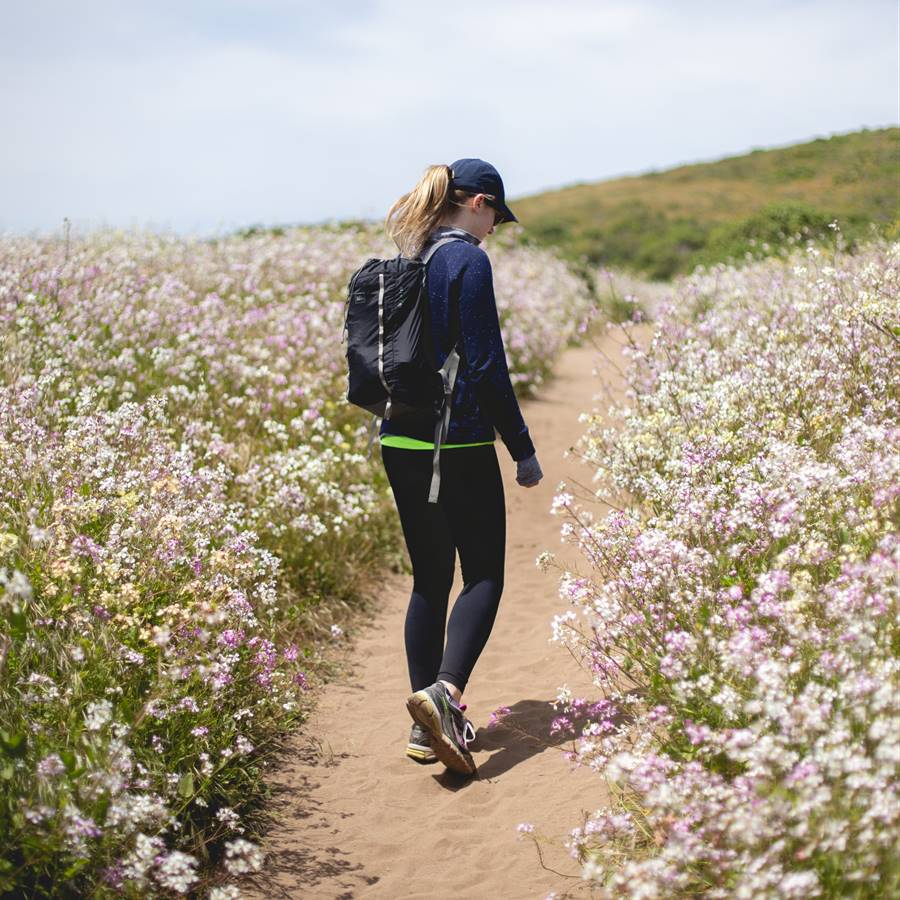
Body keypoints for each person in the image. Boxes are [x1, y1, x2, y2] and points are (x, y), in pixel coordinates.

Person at [379, 158, 544, 775]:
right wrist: (521, 448)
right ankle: (445, 696)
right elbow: (486, 366)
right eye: (495, 213)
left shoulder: (408, 260)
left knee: (428, 579)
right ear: (475, 203)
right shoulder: (465, 260)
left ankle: (426, 731)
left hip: (399, 438)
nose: (496, 226)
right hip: (460, 442)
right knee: (483, 576)